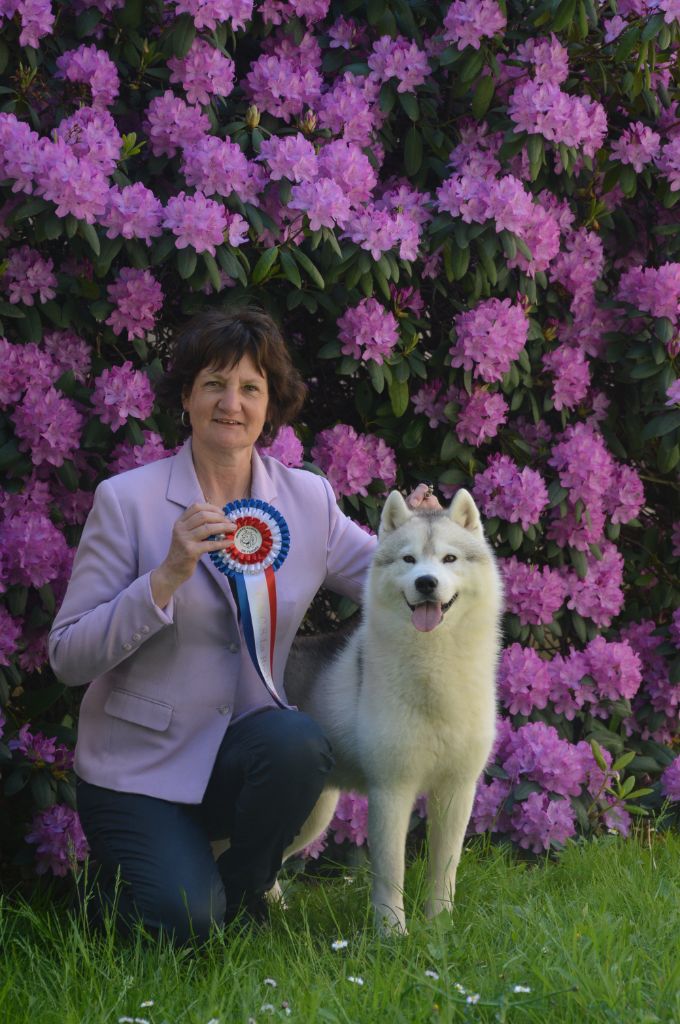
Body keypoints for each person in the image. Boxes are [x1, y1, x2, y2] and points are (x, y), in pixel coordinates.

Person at [49, 307, 436, 945]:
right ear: (186, 398)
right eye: (214, 384)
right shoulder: (126, 501)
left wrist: (423, 538)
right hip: (139, 771)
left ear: (270, 404)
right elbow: (67, 657)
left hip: (241, 762)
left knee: (297, 742)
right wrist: (164, 579)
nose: (232, 403)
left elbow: (393, 575)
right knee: (184, 925)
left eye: (250, 387)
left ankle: (245, 890)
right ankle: (126, 888)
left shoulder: (308, 500)